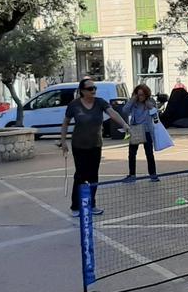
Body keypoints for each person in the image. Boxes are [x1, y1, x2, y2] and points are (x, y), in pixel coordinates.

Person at [61, 78, 129, 216]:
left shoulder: (100, 102)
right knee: (80, 175)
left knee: (93, 176)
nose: (94, 91)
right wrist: (63, 142)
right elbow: (65, 123)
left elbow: (112, 113)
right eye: (90, 89)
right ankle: (76, 206)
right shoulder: (74, 105)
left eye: (94, 88)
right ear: (82, 91)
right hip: (79, 145)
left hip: (95, 144)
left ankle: (92, 205)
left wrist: (124, 124)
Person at [122, 84, 159, 183]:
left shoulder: (150, 102)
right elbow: (124, 110)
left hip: (146, 130)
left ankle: (153, 175)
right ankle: (132, 175)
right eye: (138, 95)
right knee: (132, 154)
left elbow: (156, 115)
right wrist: (132, 100)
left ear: (146, 94)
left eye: (142, 95)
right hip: (135, 129)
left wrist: (150, 106)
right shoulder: (134, 103)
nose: (140, 97)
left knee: (149, 154)